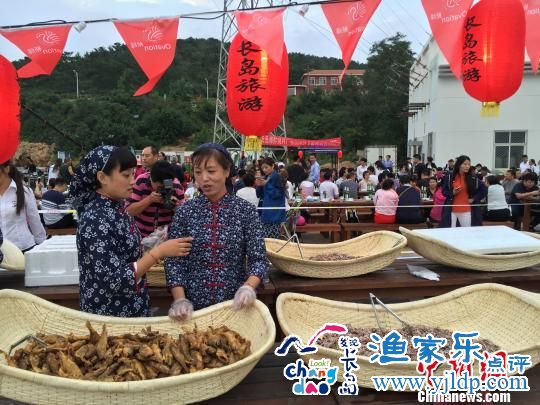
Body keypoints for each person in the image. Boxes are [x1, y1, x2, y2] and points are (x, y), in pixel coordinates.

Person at [69, 146, 192, 317]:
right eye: (126, 175)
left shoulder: (117, 208)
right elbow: (113, 280)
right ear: (102, 177)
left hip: (131, 306)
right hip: (111, 315)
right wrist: (158, 252)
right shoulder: (95, 219)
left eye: (133, 174)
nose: (133, 181)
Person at [165, 143, 267, 319]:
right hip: (193, 309)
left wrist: (248, 287)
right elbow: (174, 261)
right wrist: (180, 300)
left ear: (227, 171)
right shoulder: (185, 211)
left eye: (211, 171)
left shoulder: (245, 211)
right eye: (198, 172)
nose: (204, 178)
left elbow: (258, 259)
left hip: (235, 305)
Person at [125, 160, 185, 238]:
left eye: (165, 187)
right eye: (159, 187)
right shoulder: (141, 181)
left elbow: (184, 216)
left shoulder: (176, 186)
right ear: (151, 179)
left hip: (166, 237)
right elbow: (128, 212)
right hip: (141, 236)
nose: (163, 189)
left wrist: (174, 206)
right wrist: (149, 199)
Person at [0, 161, 46, 252]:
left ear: (7, 169)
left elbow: (34, 220)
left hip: (22, 248)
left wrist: (42, 244)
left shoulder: (24, 191)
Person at [440, 155, 486, 228]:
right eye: (465, 164)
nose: (467, 166)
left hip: (466, 209)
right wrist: (452, 192)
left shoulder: (473, 178)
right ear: (459, 165)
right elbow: (444, 191)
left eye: (469, 164)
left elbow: (484, 190)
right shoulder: (449, 177)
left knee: (467, 231)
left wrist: (474, 198)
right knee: (450, 231)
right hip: (451, 209)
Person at [256, 157, 286, 239]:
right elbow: (259, 195)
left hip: (275, 212)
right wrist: (259, 186)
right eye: (263, 168)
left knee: (272, 239)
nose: (264, 170)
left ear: (272, 166)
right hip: (267, 211)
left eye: (266, 167)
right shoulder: (266, 177)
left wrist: (266, 184)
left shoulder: (277, 177)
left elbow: (278, 194)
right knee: (266, 238)